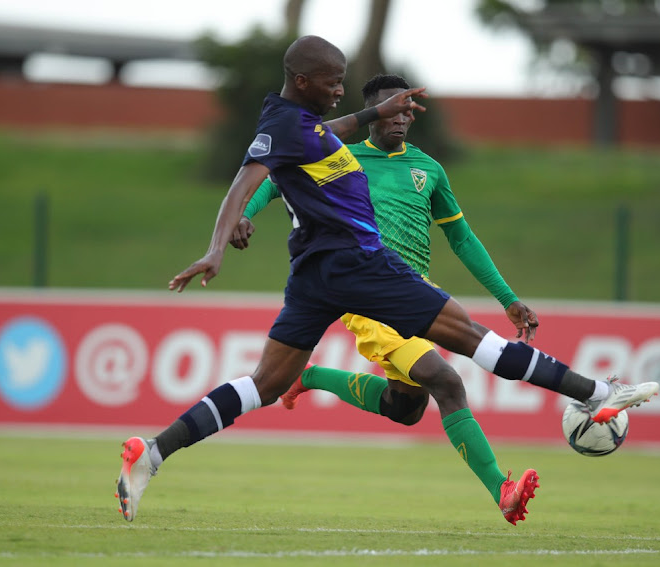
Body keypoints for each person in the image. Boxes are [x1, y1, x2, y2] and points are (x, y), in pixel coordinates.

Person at [116, 35, 659, 525]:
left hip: (315, 275)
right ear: (303, 81)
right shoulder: (281, 128)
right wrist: (218, 246)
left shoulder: (302, 125)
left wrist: (376, 108)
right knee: (473, 344)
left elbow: (330, 132)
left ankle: (153, 454)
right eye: (333, 82)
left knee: (268, 384)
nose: (340, 90)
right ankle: (597, 392)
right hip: (361, 265)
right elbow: (245, 180)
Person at [230, 73, 544, 524]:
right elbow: (271, 182)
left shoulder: (428, 170)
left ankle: (310, 376)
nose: (399, 118)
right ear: (373, 115)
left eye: (405, 111)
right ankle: (502, 490)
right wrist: (241, 213)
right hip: (364, 291)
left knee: (405, 408)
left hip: (414, 297)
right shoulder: (338, 155)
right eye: (390, 110)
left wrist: (508, 298)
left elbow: (462, 238)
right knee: (447, 382)